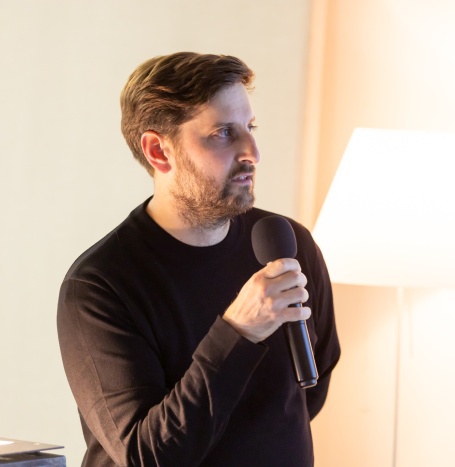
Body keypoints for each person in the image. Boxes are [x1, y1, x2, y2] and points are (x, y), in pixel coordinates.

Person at [57, 52, 340, 466]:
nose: (252, 152)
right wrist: (239, 332)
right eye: (224, 133)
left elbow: (308, 391)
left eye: (250, 128)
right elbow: (144, 456)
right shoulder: (99, 286)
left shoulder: (287, 243)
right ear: (158, 151)